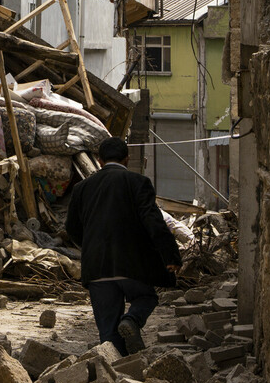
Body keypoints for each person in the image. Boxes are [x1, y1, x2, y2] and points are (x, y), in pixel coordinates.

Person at [65, 136, 184, 355]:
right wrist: (171, 257)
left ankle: (117, 379)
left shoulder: (82, 188)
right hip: (132, 265)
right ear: (127, 159)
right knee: (146, 297)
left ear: (99, 160)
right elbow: (153, 221)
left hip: (97, 268)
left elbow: (71, 228)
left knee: (108, 337)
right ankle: (131, 319)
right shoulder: (138, 182)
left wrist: (92, 247)